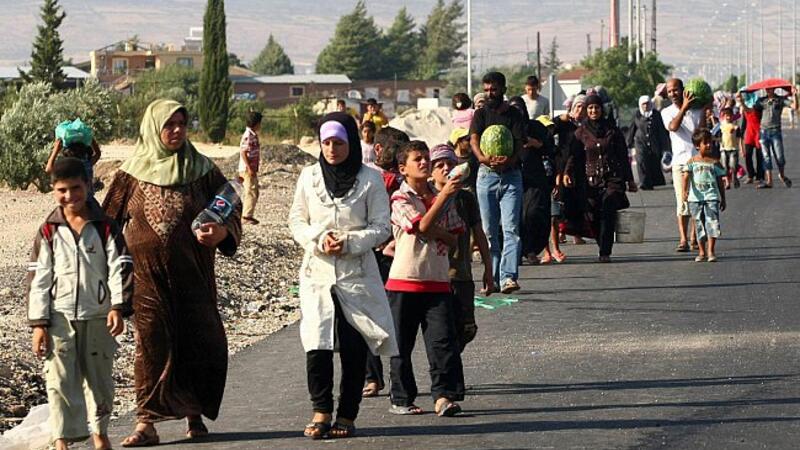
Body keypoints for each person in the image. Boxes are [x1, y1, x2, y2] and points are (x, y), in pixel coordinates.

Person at [104, 99, 242, 446]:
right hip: (145, 279)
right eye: (169, 124)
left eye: (182, 123)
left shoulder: (202, 169)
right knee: (150, 346)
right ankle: (146, 423)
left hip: (194, 275)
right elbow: (106, 223)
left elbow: (231, 205)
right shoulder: (130, 174)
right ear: (153, 127)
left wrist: (222, 233)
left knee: (199, 340)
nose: (177, 130)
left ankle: (194, 413)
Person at [289, 112, 399, 439]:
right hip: (318, 272)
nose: (332, 149)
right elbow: (297, 220)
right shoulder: (309, 177)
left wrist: (349, 242)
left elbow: (382, 227)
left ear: (350, 142)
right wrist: (319, 239)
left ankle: (347, 414)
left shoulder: (371, 179)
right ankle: (321, 410)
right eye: (326, 143)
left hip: (356, 274)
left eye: (338, 142)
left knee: (354, 346)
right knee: (317, 343)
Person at [27, 157, 132, 450]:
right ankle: (61, 439)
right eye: (62, 190)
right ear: (53, 190)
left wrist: (117, 307)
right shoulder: (48, 230)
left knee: (99, 381)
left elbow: (120, 267)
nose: (69, 196)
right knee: (59, 381)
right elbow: (38, 278)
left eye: (75, 188)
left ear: (87, 185)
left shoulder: (105, 227)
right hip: (59, 317)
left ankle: (100, 434)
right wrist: (39, 324)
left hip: (98, 315)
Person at [386, 140, 465, 417]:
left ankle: (443, 396)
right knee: (401, 345)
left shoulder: (440, 195)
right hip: (405, 281)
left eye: (425, 158)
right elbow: (421, 226)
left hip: (437, 280)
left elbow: (454, 238)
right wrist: (442, 202)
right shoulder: (400, 198)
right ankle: (401, 397)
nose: (423, 163)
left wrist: (435, 227)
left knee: (442, 343)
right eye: (417, 159)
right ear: (402, 168)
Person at [429, 144, 493, 351]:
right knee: (443, 333)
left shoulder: (466, 198)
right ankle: (448, 369)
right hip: (435, 276)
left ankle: (451, 362)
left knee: (467, 329)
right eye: (440, 165)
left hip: (461, 275)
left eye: (450, 163)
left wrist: (488, 269)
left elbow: (479, 233)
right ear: (431, 171)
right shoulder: (426, 197)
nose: (446, 168)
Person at [361, 126, 410, 399]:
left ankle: (398, 380)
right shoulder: (367, 178)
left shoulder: (405, 181)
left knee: (397, 320)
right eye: (396, 151)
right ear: (379, 150)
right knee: (368, 318)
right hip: (372, 253)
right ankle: (372, 377)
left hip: (399, 254)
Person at [469, 72, 527, 293]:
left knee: (511, 228)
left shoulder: (514, 115)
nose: (489, 93)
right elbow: (474, 139)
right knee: (489, 232)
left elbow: (520, 143)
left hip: (511, 176)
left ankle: (508, 277)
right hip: (487, 177)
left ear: (503, 89)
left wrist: (510, 160)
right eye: (486, 89)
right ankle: (491, 278)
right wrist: (482, 158)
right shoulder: (480, 114)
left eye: (493, 89)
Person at [565, 95, 637, 262]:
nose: (593, 111)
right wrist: (567, 172)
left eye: (596, 107)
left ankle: (605, 251)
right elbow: (573, 155)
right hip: (590, 181)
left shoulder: (613, 131)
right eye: (590, 108)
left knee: (608, 208)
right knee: (593, 215)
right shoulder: (580, 133)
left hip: (612, 178)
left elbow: (622, 156)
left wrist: (630, 179)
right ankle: (601, 242)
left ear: (601, 109)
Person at [508, 96, 554, 264]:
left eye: (520, 110)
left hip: (534, 178)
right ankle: (517, 251)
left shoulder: (535, 127)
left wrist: (537, 144)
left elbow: (552, 149)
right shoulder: (505, 129)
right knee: (514, 217)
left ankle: (531, 249)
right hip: (511, 177)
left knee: (532, 214)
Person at [661, 78, 702, 252]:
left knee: (697, 201)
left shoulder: (697, 111)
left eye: (675, 90)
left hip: (698, 161)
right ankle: (683, 238)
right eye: (670, 91)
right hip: (679, 163)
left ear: (683, 90)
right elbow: (673, 127)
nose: (673, 94)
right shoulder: (666, 112)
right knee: (682, 201)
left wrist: (705, 110)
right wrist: (683, 108)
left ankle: (694, 236)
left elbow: (701, 133)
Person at [683, 128, 726, 262]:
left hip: (711, 197)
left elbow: (720, 181)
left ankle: (711, 251)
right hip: (695, 199)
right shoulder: (692, 162)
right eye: (705, 143)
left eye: (710, 142)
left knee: (712, 223)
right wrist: (685, 191)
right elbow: (686, 176)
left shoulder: (715, 162)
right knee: (699, 224)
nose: (709, 145)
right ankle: (701, 251)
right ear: (697, 146)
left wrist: (723, 198)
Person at [626, 95, 669, 190]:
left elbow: (661, 131)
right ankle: (644, 182)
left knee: (653, 161)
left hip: (654, 142)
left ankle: (653, 181)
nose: (645, 106)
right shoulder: (637, 115)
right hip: (640, 142)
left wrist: (665, 146)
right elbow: (632, 129)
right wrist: (628, 144)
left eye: (647, 104)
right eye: (643, 104)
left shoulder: (656, 115)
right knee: (642, 161)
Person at [755, 87, 794, 188]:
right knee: (766, 157)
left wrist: (795, 95)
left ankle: (782, 175)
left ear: (774, 89)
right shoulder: (761, 101)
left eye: (770, 89)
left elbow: (794, 106)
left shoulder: (780, 100)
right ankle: (769, 181)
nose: (768, 90)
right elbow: (752, 110)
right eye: (767, 89)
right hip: (763, 131)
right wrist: (741, 102)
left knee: (780, 157)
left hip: (775, 131)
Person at [239, 110, 263, 225]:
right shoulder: (248, 136)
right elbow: (243, 152)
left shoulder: (253, 135)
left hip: (251, 168)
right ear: (256, 123)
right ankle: (246, 216)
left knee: (254, 191)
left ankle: (248, 214)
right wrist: (249, 167)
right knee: (250, 191)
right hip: (247, 169)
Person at [738, 90, 765, 184]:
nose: (744, 96)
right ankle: (750, 175)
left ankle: (760, 176)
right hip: (749, 133)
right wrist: (741, 135)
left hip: (759, 132)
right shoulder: (745, 107)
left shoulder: (758, 104)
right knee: (748, 155)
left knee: (759, 156)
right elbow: (744, 123)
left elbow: (750, 110)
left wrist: (742, 103)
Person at [450, 127, 478, 193]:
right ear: (458, 142)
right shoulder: (450, 160)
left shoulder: (475, 156)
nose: (471, 142)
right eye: (467, 139)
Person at [718, 107, 741, 189]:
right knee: (725, 167)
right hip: (723, 149)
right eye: (726, 115)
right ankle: (727, 182)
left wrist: (740, 148)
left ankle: (734, 177)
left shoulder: (735, 126)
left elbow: (739, 138)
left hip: (733, 148)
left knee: (733, 165)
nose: (728, 117)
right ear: (723, 116)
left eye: (730, 115)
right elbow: (717, 136)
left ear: (732, 116)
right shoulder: (721, 126)